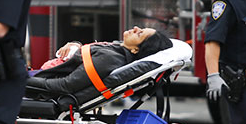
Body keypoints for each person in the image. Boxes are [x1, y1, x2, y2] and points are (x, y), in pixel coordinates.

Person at [27, 27, 173, 97]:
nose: (135, 28)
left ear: (135, 50)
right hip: (39, 75)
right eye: (140, 28)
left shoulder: (110, 59)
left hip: (37, 82)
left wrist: (21, 79)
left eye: (139, 33)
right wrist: (75, 45)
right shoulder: (116, 49)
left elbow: (66, 85)